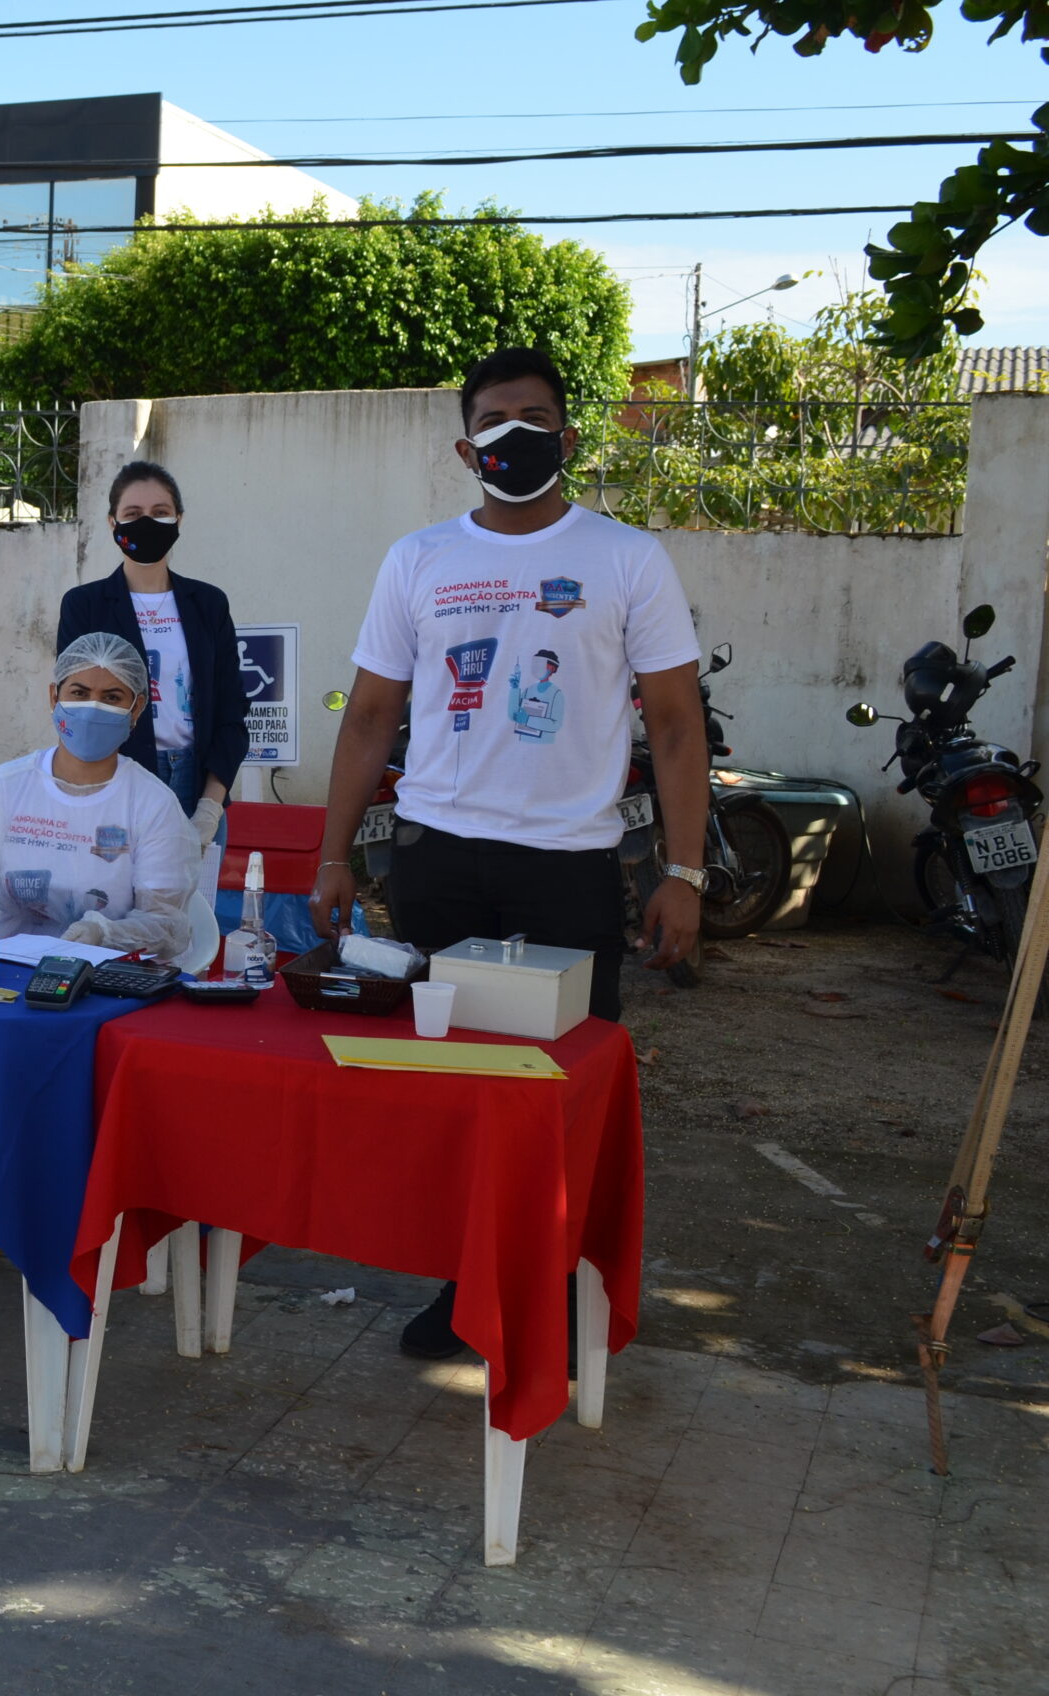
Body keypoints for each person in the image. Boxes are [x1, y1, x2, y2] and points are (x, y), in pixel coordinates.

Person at [307, 346, 707, 1360]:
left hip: (568, 869)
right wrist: (333, 855)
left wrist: (685, 872)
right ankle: (466, 1293)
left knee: (557, 1095)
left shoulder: (627, 559)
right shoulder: (418, 559)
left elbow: (673, 724)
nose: (513, 435)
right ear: (464, 448)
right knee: (452, 1093)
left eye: (533, 417)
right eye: (492, 420)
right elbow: (369, 717)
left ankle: (557, 1298)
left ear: (567, 437)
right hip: (436, 860)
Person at [0, 631, 206, 1281]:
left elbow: (168, 921)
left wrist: (105, 933)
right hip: (5, 976)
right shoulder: (6, 788)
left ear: (137, 710)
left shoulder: (151, 804)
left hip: (105, 986)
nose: (93, 708)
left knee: (53, 1056)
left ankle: (67, 1214)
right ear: (53, 697)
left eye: (113, 697)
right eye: (79, 692)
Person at [56, 461, 247, 871]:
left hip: (197, 785)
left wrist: (210, 806)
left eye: (160, 512)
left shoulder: (208, 604)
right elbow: (77, 708)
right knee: (112, 904)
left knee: (192, 909)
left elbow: (232, 710)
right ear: (113, 522)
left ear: (179, 519)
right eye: (133, 514)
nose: (147, 523)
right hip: (116, 782)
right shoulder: (84, 606)